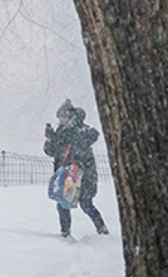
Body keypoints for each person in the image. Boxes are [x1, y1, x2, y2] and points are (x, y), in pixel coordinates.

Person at [44, 99, 110, 237]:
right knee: (62, 205)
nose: (61, 120)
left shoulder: (82, 130)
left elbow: (87, 140)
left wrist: (60, 138)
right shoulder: (61, 132)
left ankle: (102, 228)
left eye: (63, 117)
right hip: (67, 177)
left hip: (85, 176)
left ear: (70, 117)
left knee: (86, 203)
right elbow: (52, 151)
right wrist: (50, 139)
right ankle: (65, 233)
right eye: (59, 118)